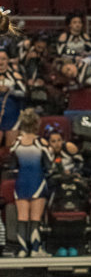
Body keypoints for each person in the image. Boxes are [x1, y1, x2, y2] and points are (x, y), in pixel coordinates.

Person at [9, 108, 51, 256]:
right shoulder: (40, 142)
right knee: (35, 218)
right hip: (36, 181)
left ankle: (22, 250)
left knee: (22, 217)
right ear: (36, 124)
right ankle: (35, 249)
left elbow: (12, 165)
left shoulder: (16, 143)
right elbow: (49, 164)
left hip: (21, 182)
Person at [0, 48, 27, 136]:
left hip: (12, 113)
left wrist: (10, 91)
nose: (1, 62)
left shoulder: (15, 75)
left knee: (10, 141)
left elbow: (24, 93)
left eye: (3, 59)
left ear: (8, 60)